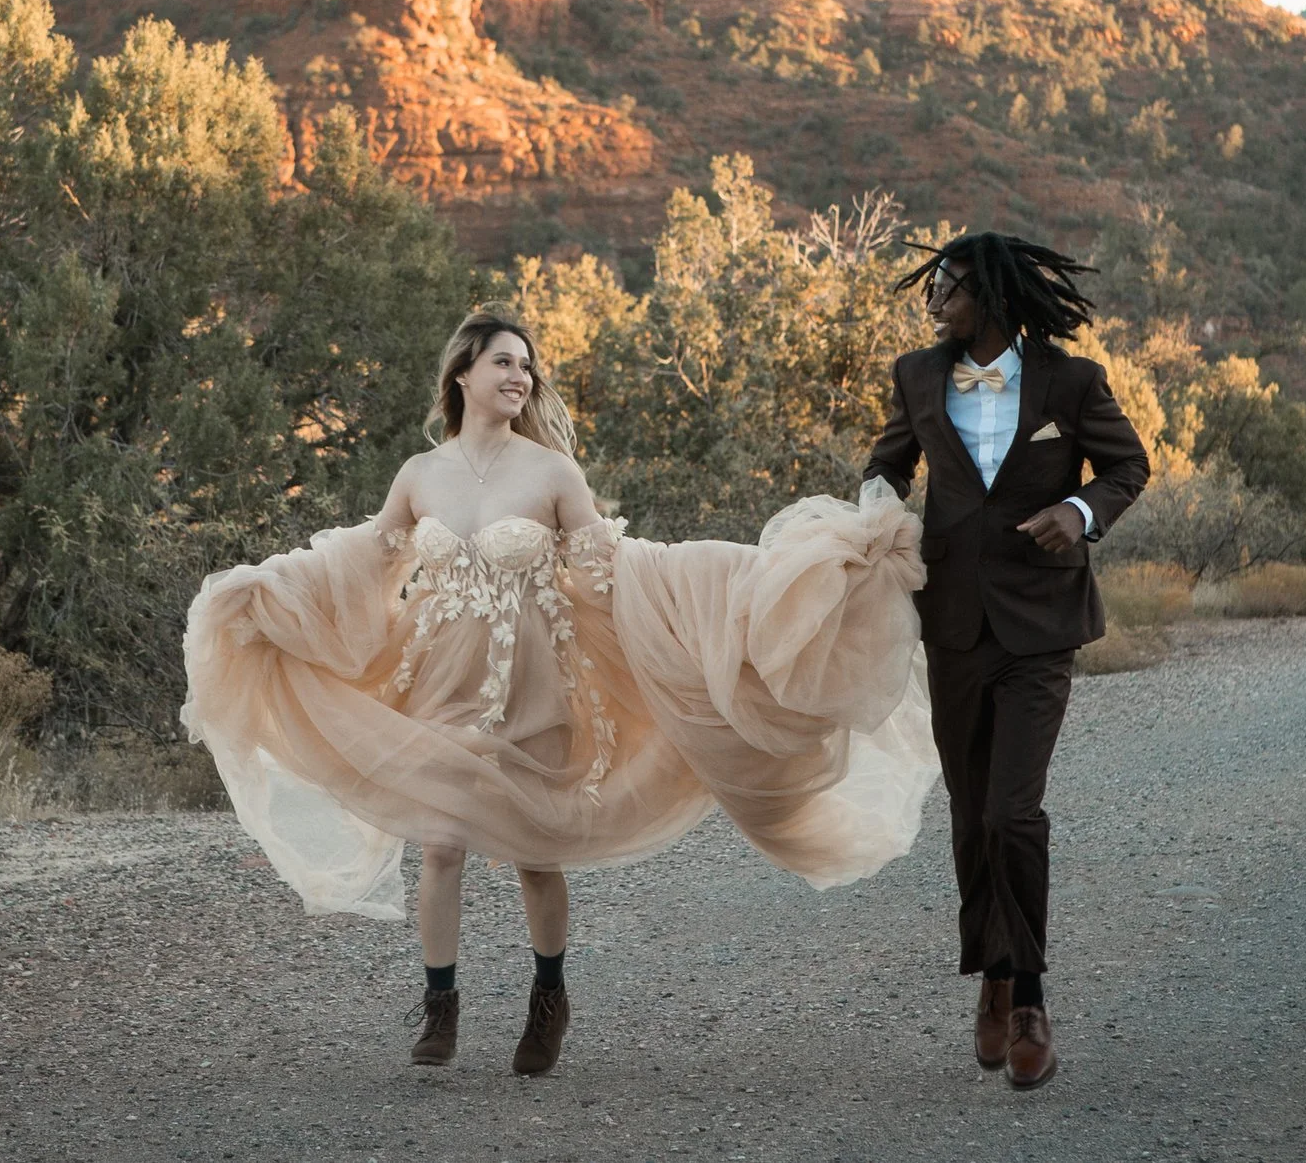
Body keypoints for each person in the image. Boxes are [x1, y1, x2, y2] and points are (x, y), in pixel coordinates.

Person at [183, 311, 937, 1075]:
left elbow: (612, 568)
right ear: (463, 375)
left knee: (532, 851)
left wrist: (734, 595)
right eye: (505, 363)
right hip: (440, 678)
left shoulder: (551, 473)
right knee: (441, 843)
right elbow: (365, 559)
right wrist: (269, 591)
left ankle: (549, 999)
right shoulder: (420, 474)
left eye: (527, 368)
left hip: (535, 684)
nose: (520, 377)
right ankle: (439, 1010)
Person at [862, 232, 1149, 1090]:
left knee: (1012, 814)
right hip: (950, 621)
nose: (935, 300)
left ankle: (1028, 998)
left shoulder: (1072, 380)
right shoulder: (916, 375)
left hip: (1041, 622)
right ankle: (990, 971)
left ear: (987, 293)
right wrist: (869, 523)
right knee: (967, 813)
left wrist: (1080, 508)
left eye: (946, 286)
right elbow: (887, 468)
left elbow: (1128, 466)